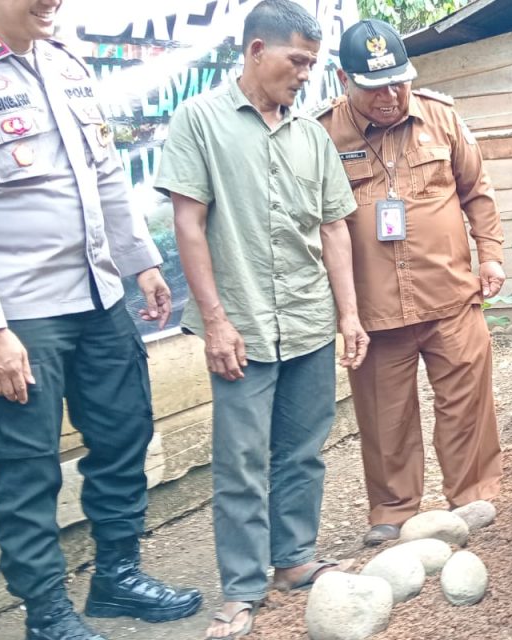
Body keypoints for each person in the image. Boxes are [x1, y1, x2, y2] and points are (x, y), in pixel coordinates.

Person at [0, 1, 202, 638]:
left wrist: (141, 263)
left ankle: (117, 577)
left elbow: (105, 174)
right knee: (25, 468)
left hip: (98, 296)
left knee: (124, 433)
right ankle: (47, 615)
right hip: (19, 314)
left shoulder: (66, 65)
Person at [153, 1, 369, 636]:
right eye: (297, 60)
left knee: (302, 451)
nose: (305, 74)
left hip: (307, 320)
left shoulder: (311, 136)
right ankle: (243, 586)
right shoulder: (200, 121)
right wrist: (215, 321)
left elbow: (334, 229)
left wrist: (349, 316)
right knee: (242, 460)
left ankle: (294, 560)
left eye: (311, 63)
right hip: (242, 325)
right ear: (255, 51)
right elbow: (189, 224)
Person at [315, 19, 505, 546]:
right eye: (374, 87)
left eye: (398, 82)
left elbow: (477, 191)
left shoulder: (441, 118)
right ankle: (394, 510)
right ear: (343, 80)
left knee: (466, 403)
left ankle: (472, 495)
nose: (390, 96)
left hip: (451, 295)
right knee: (385, 417)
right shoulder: (323, 134)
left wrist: (490, 257)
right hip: (376, 310)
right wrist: (344, 311)